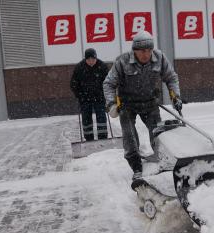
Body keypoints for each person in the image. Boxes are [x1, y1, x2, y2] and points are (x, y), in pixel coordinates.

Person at [103, 31, 183, 181]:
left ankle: (163, 161)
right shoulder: (123, 61)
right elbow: (108, 83)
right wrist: (112, 103)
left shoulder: (159, 58)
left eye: (149, 50)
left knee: (159, 134)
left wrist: (176, 97)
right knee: (130, 137)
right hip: (127, 105)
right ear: (135, 51)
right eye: (142, 51)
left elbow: (171, 78)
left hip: (150, 103)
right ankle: (136, 166)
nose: (146, 54)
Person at [70, 48, 110, 141]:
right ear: (85, 59)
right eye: (89, 59)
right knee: (86, 119)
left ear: (96, 58)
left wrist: (104, 94)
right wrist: (79, 95)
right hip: (85, 99)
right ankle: (89, 139)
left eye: (93, 59)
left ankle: (103, 138)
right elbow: (73, 84)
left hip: (99, 98)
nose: (91, 61)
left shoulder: (102, 66)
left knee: (101, 118)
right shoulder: (79, 68)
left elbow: (108, 82)